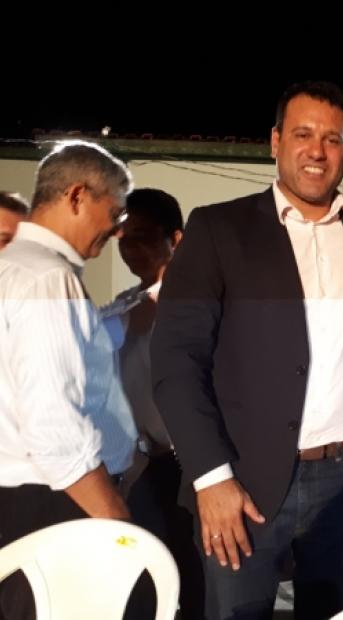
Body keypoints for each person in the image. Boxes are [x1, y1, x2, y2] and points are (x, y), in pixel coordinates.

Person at [151, 81, 343, 620]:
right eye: (303, 134)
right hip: (242, 483)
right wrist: (211, 477)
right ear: (275, 141)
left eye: (332, 139)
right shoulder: (218, 229)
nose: (318, 151)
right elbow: (175, 360)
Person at [0, 141, 137, 620]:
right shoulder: (47, 279)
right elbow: (53, 425)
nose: (118, 230)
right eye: (115, 213)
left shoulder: (12, 269)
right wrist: (117, 521)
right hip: (55, 505)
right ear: (77, 195)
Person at [102, 188, 203, 616]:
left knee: (194, 578)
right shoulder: (127, 304)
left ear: (175, 239)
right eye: (123, 240)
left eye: (142, 238)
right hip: (142, 467)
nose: (131, 250)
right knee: (146, 577)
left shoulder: (200, 302)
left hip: (195, 466)